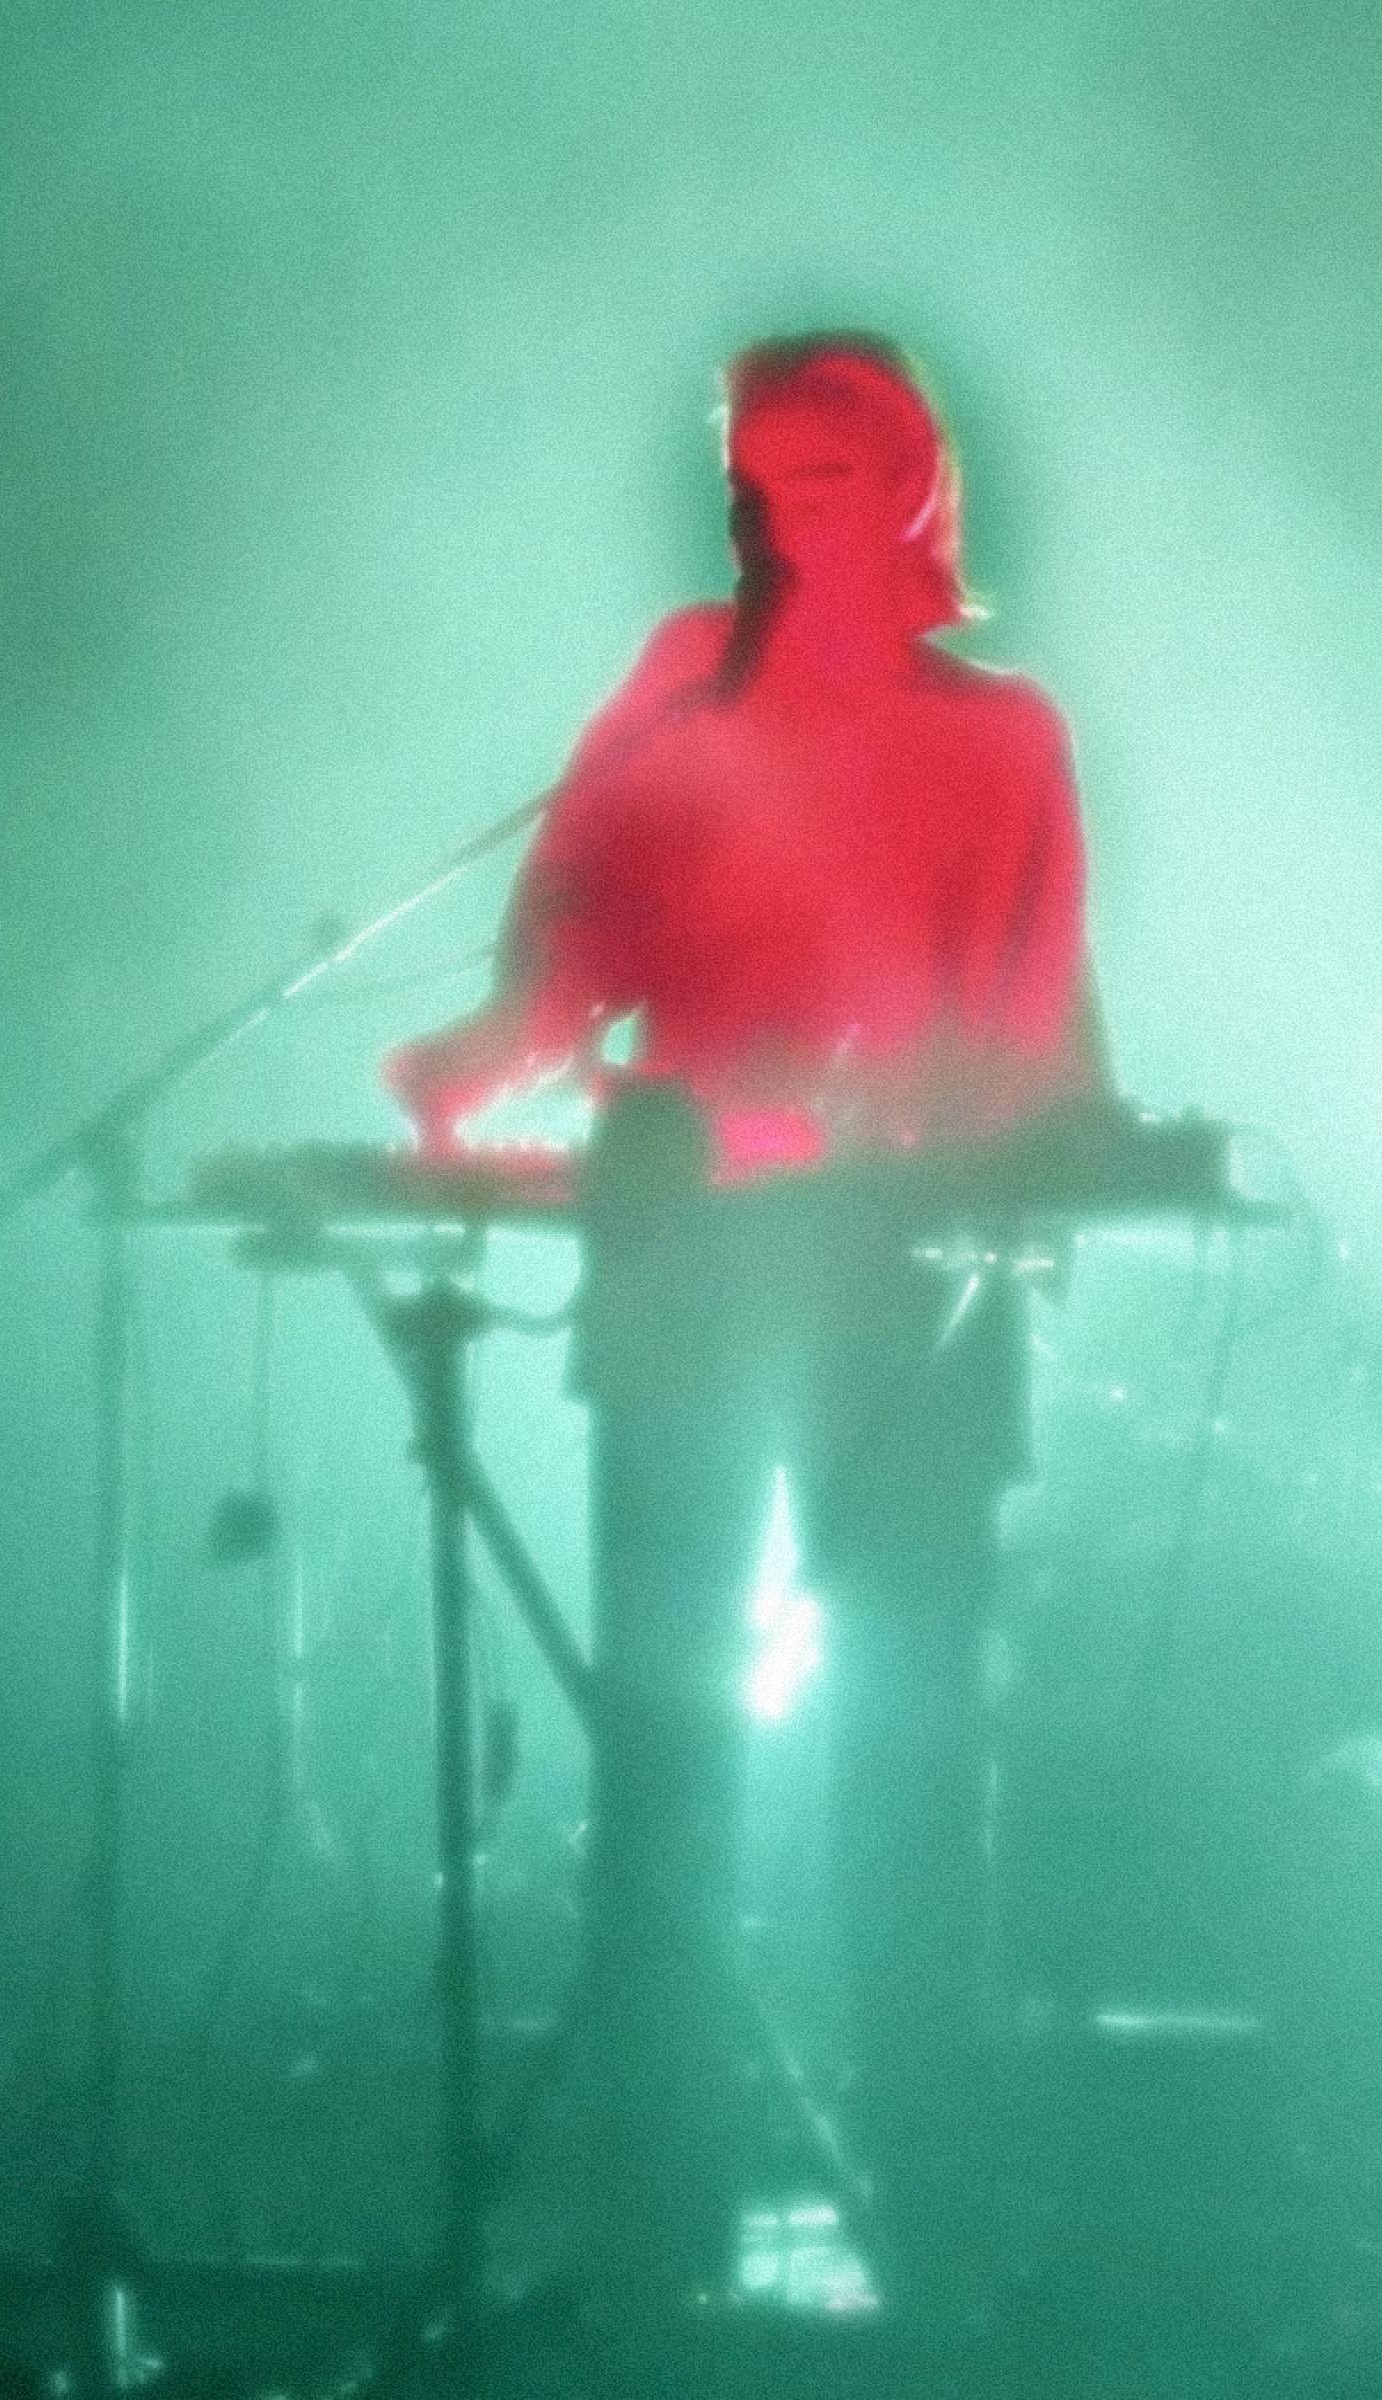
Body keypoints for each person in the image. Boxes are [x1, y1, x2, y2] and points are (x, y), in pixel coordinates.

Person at [385, 331, 1105, 2332]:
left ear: (908, 491)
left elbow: (1027, 1043)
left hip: (907, 1284)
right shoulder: (678, 685)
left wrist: (835, 1114)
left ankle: (938, 2244)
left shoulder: (998, 737)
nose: (774, 522)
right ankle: (654, 2242)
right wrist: (478, 1059)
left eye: (816, 480)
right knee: (666, 1763)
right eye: (750, 482)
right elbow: (572, 939)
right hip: (688, 1274)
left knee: (911, 1767)